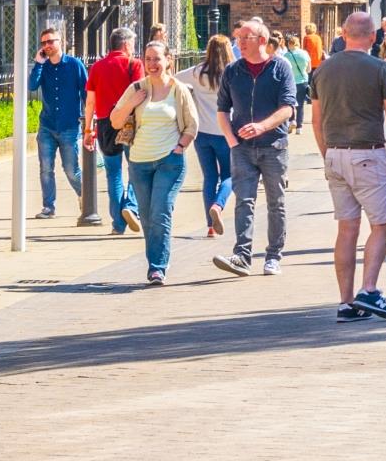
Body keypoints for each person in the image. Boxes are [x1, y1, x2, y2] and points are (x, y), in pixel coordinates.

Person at [314, 10, 386, 322]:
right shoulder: (380, 68)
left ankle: (345, 302)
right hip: (368, 151)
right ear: (372, 36)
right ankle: (369, 290)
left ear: (343, 34)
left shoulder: (323, 70)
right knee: (382, 224)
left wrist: (327, 152)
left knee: (346, 229)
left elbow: (316, 121)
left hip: (335, 154)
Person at [211, 18, 298, 278]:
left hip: (274, 146)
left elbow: (288, 108)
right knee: (244, 201)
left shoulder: (280, 68)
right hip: (242, 148)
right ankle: (242, 256)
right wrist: (231, 140)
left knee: (276, 202)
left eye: (245, 38)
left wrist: (263, 126)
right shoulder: (233, 71)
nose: (239, 43)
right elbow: (222, 109)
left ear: (262, 41)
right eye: (238, 38)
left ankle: (273, 256)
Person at [110, 42, 200, 285]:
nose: (152, 64)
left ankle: (157, 267)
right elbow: (115, 121)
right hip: (139, 162)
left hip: (168, 161)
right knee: (148, 217)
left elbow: (192, 124)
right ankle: (154, 262)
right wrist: (132, 102)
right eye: (148, 59)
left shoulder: (178, 89)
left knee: (160, 212)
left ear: (168, 60)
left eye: (157, 59)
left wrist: (180, 147)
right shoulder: (137, 88)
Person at [86, 28, 143, 235]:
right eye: (133, 45)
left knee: (113, 174)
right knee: (136, 169)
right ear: (126, 44)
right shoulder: (134, 64)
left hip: (104, 124)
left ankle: (118, 224)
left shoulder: (97, 67)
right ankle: (131, 207)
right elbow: (141, 93)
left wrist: (87, 129)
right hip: (129, 122)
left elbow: (90, 101)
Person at [29, 27, 88, 220]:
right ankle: (48, 207)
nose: (47, 46)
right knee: (46, 168)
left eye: (50, 42)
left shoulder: (74, 64)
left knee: (71, 169)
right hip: (47, 125)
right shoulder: (43, 66)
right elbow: (31, 86)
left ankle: (85, 197)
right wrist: (38, 63)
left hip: (69, 126)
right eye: (43, 43)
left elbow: (86, 92)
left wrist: (89, 118)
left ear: (60, 41)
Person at [180, 35, 234, 238]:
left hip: (202, 134)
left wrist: (191, 95)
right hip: (226, 132)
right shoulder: (233, 73)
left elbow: (174, 78)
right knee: (230, 175)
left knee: (209, 177)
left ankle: (210, 226)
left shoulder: (197, 72)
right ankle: (218, 206)